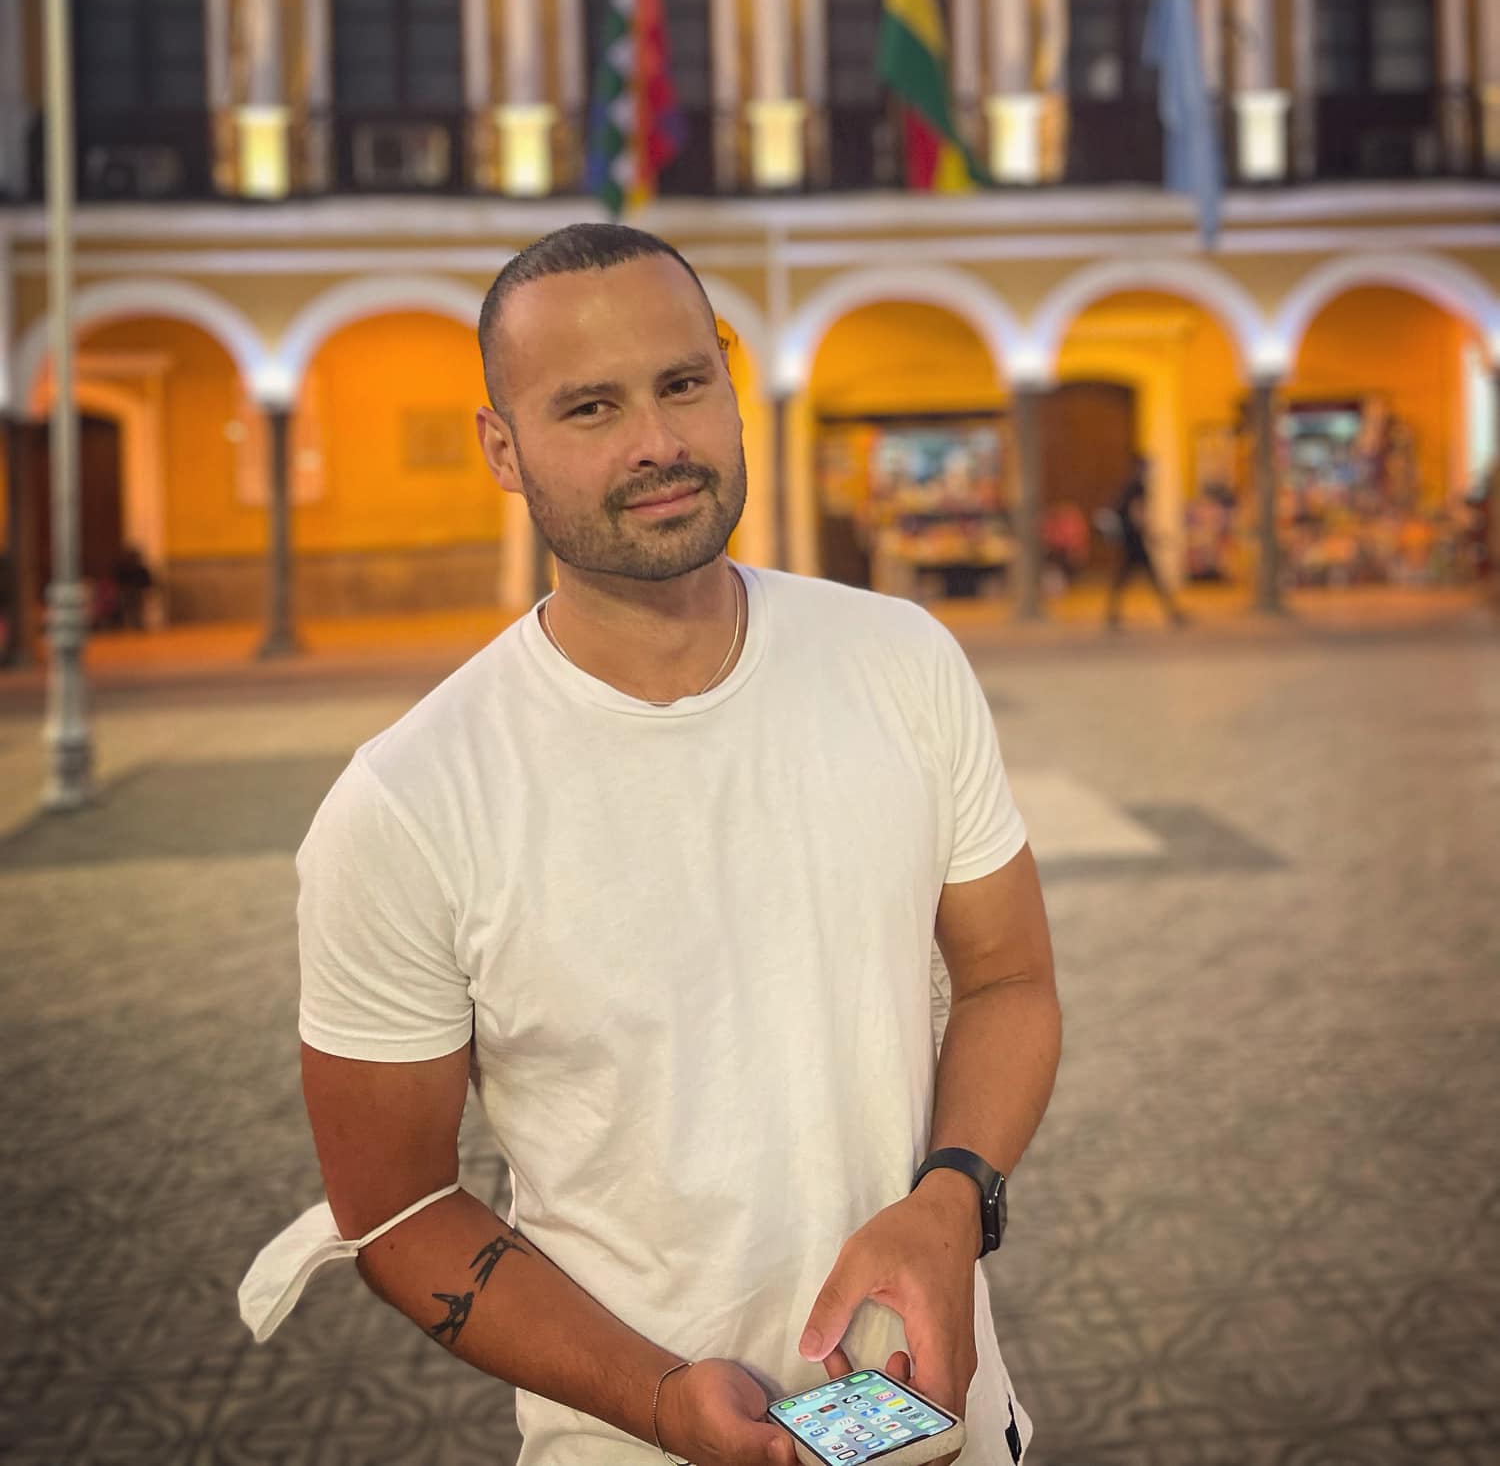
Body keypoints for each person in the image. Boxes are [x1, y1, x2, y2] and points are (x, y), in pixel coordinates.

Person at [279, 223, 1061, 1465]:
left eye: (683, 383)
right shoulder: (409, 803)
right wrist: (655, 1400)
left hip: (943, 1430)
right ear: (502, 447)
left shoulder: (900, 660)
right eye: (589, 407)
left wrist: (953, 1197)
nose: (656, 442)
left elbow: (1009, 977)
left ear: (729, 389)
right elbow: (398, 1210)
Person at [1104, 453, 1188, 629]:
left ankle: (1113, 614)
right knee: (1149, 576)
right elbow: (1137, 512)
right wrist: (1151, 533)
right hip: (1134, 539)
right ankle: (1173, 613)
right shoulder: (1138, 486)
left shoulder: (1130, 485)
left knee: (1128, 576)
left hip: (1131, 538)